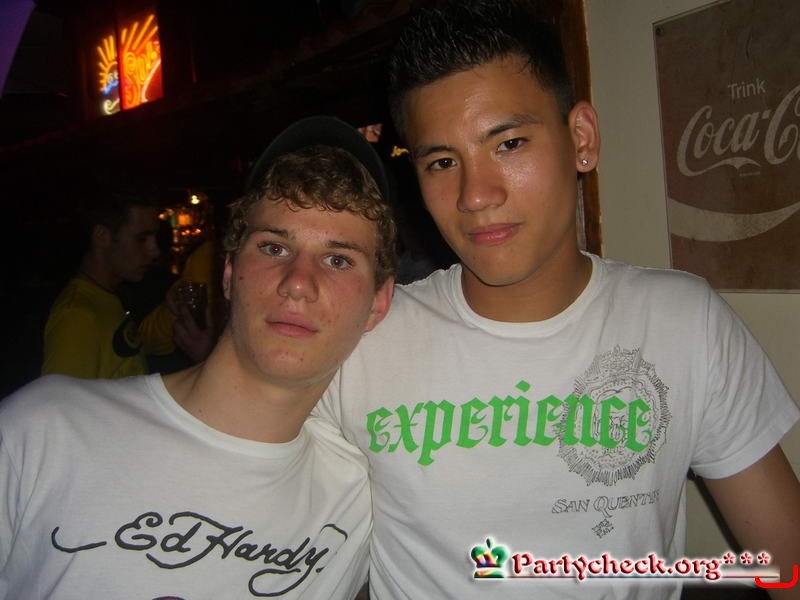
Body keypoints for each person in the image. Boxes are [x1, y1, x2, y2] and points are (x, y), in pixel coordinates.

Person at [314, 2, 800, 599]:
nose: (475, 195)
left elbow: (789, 565)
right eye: (442, 161)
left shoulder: (683, 324)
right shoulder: (364, 340)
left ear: (581, 139)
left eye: (509, 143)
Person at [0, 116, 396, 599]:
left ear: (378, 303)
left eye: (338, 260)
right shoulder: (44, 429)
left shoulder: (361, 498)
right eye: (274, 247)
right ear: (229, 273)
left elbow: (479, 565)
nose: (298, 283)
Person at [41, 189, 162, 378]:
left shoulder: (107, 297)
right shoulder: (77, 316)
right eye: (141, 239)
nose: (155, 251)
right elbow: (61, 397)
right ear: (102, 236)